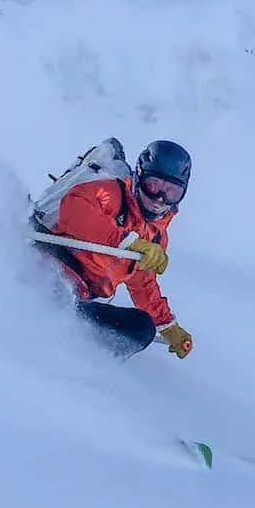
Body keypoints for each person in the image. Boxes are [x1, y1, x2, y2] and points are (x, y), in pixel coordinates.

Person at [33, 139, 195, 359]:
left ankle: (81, 361)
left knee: (141, 329)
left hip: (78, 300)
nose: (160, 198)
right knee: (51, 295)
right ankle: (43, 340)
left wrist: (166, 324)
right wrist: (125, 241)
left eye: (172, 192)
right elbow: (75, 208)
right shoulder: (112, 193)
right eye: (154, 185)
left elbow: (143, 283)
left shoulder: (155, 236)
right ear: (140, 176)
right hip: (46, 268)